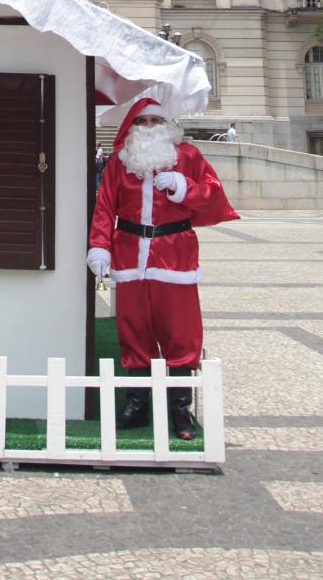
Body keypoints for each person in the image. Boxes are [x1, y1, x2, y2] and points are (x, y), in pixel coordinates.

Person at [87, 96, 238, 439]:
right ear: (133, 127)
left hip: (174, 255)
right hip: (129, 256)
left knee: (179, 331)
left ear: (168, 126)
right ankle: (137, 403)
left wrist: (183, 188)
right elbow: (104, 206)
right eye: (143, 122)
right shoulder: (119, 162)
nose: (150, 128)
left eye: (156, 122)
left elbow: (214, 195)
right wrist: (99, 246)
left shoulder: (187, 157)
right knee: (133, 330)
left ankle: (179, 408)